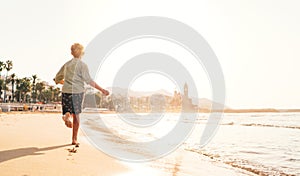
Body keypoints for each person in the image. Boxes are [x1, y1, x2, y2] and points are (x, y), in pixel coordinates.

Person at [54, 43, 109, 146]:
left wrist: (65, 82)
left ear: (71, 53)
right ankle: (74, 139)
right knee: (77, 115)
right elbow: (89, 81)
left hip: (66, 91)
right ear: (82, 53)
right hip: (78, 92)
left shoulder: (66, 65)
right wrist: (102, 90)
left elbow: (57, 79)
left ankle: (66, 116)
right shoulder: (82, 65)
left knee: (68, 110)